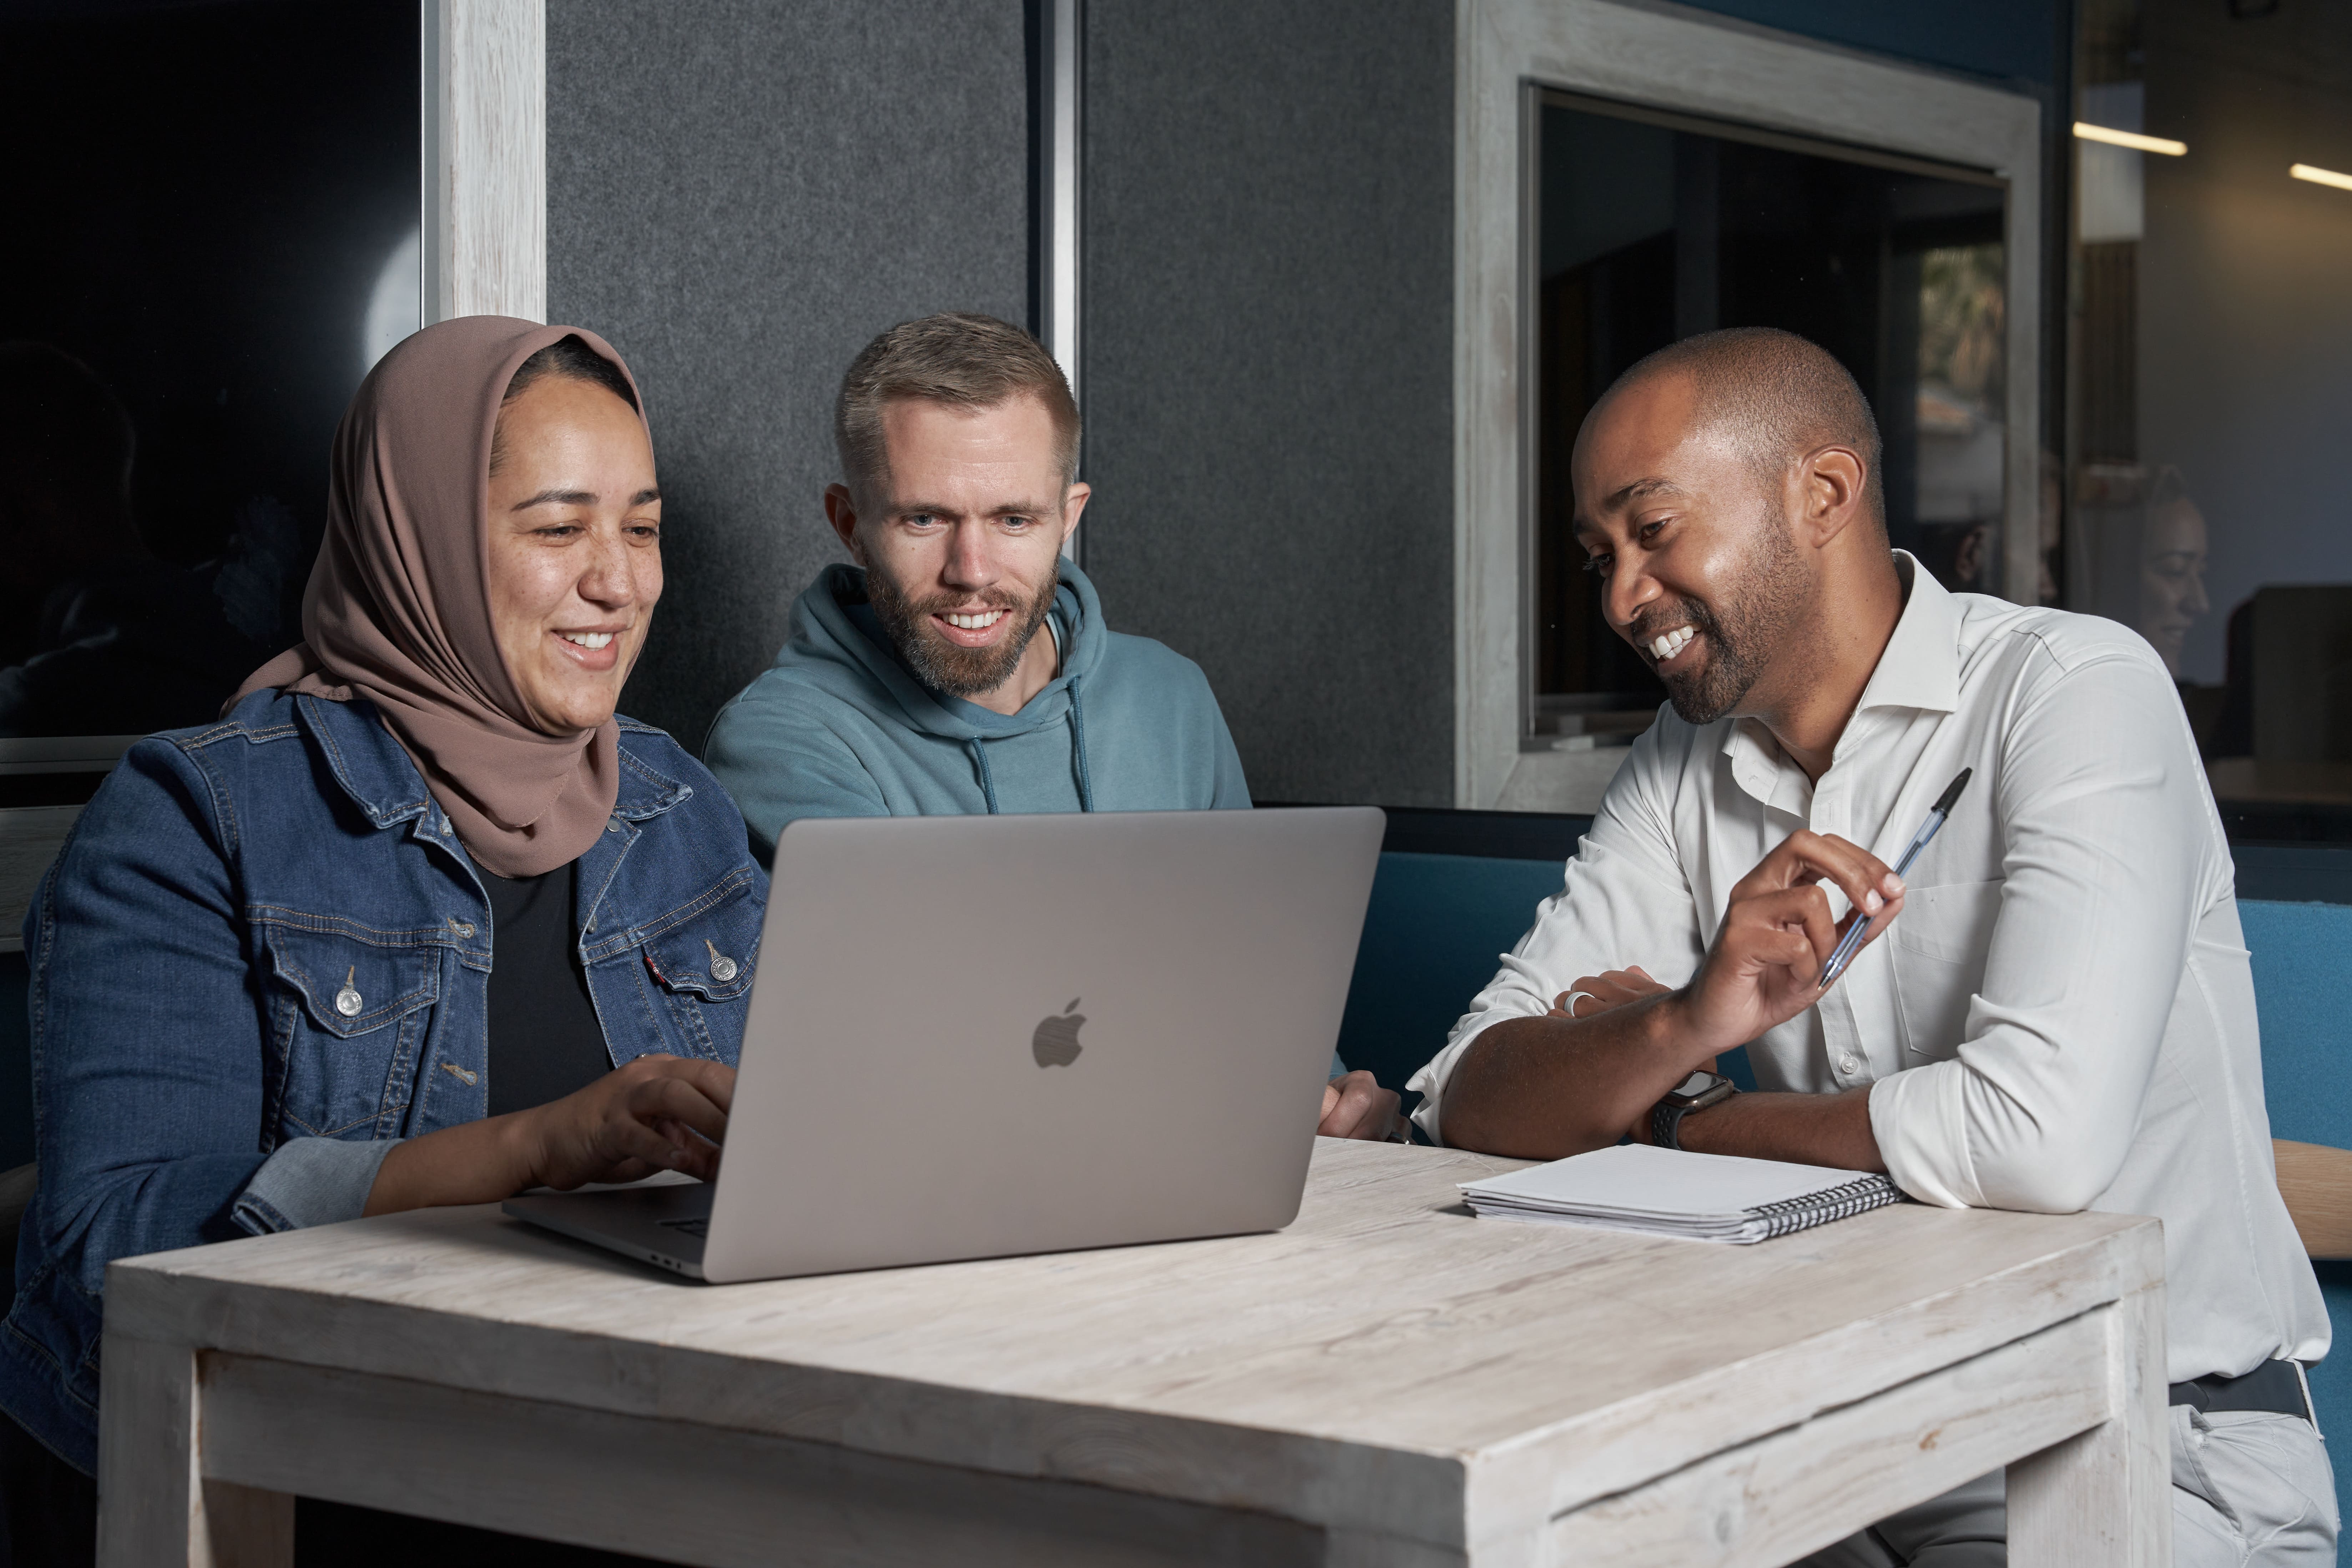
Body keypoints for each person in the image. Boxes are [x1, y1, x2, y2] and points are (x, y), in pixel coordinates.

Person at [1410, 327, 2333, 1567]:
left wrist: (1681, 1115)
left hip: (2150, 1435)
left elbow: (2034, 1138)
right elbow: (1464, 1096)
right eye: (1600, 557)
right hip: (1849, 1436)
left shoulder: (2074, 691)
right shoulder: (1679, 763)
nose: (1621, 598)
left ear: (1823, 493)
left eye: (1654, 530)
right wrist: (1683, 1024)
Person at [0, 318, 756, 1566]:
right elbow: (113, 1249)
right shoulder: (196, 816)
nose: (620, 582)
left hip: (656, 1464)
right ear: (421, 544)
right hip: (325, 1494)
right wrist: (535, 1150)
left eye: (642, 527)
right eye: (559, 530)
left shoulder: (680, 808)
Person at [705, 312, 1399, 1141]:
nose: (972, 572)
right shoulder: (781, 743)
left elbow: (1255, 1000)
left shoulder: (1171, 698)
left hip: (1205, 1156)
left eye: (1014, 519)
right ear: (850, 522)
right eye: (925, 519)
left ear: (1068, 517)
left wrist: (1332, 1105)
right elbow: (931, 1060)